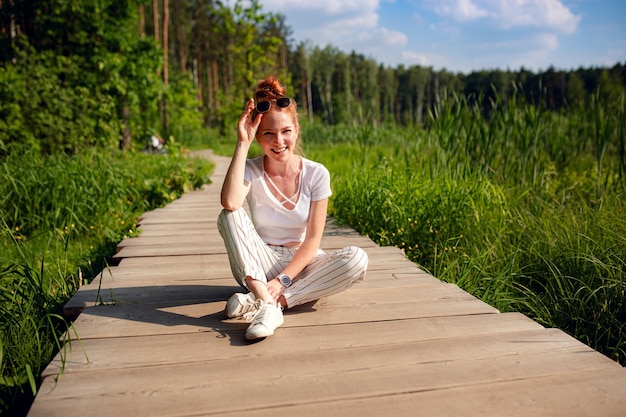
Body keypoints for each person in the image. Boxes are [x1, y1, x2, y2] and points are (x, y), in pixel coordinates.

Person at [217, 75, 369, 341]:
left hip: (303, 262)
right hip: (260, 262)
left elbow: (312, 241)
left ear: (296, 130)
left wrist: (282, 281)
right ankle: (267, 303)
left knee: (357, 259)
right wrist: (242, 142)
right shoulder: (252, 169)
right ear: (257, 137)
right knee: (229, 215)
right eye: (268, 134)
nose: (278, 141)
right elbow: (230, 202)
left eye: (286, 131)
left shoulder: (316, 173)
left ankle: (267, 303)